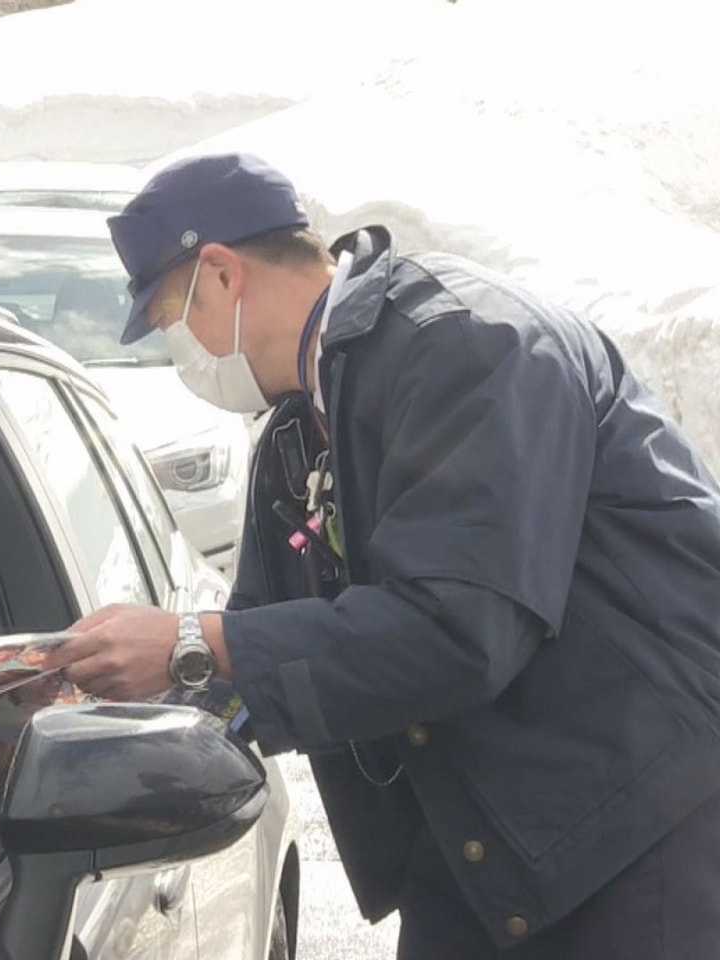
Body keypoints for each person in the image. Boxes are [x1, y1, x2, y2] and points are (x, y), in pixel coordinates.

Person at [47, 152, 720, 959]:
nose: (178, 354)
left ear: (221, 276)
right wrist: (76, 727)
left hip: (639, 824)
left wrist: (192, 640)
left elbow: (458, 629)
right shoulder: (301, 430)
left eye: (166, 321)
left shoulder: (468, 346)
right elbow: (270, 648)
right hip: (488, 831)